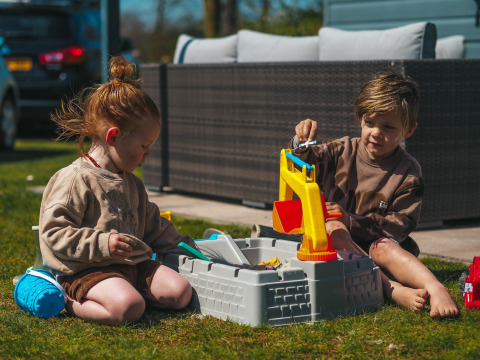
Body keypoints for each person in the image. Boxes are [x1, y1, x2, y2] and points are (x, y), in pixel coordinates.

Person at [39, 56, 196, 326]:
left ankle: (130, 293)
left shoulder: (132, 182)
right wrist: (103, 244)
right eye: (144, 147)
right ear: (113, 137)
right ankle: (67, 298)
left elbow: (153, 226)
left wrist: (187, 247)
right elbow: (54, 232)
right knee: (128, 309)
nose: (147, 156)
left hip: (133, 266)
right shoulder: (75, 179)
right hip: (88, 270)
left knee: (180, 293)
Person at [289, 71, 458, 318]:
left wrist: (350, 219)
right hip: (341, 245)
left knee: (382, 248)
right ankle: (391, 289)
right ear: (360, 119)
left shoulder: (408, 172)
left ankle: (436, 287)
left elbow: (398, 226)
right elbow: (304, 165)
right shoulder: (341, 150)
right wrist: (300, 142)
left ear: (409, 129)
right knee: (332, 229)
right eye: (370, 123)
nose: (376, 132)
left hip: (382, 247)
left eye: (388, 126)